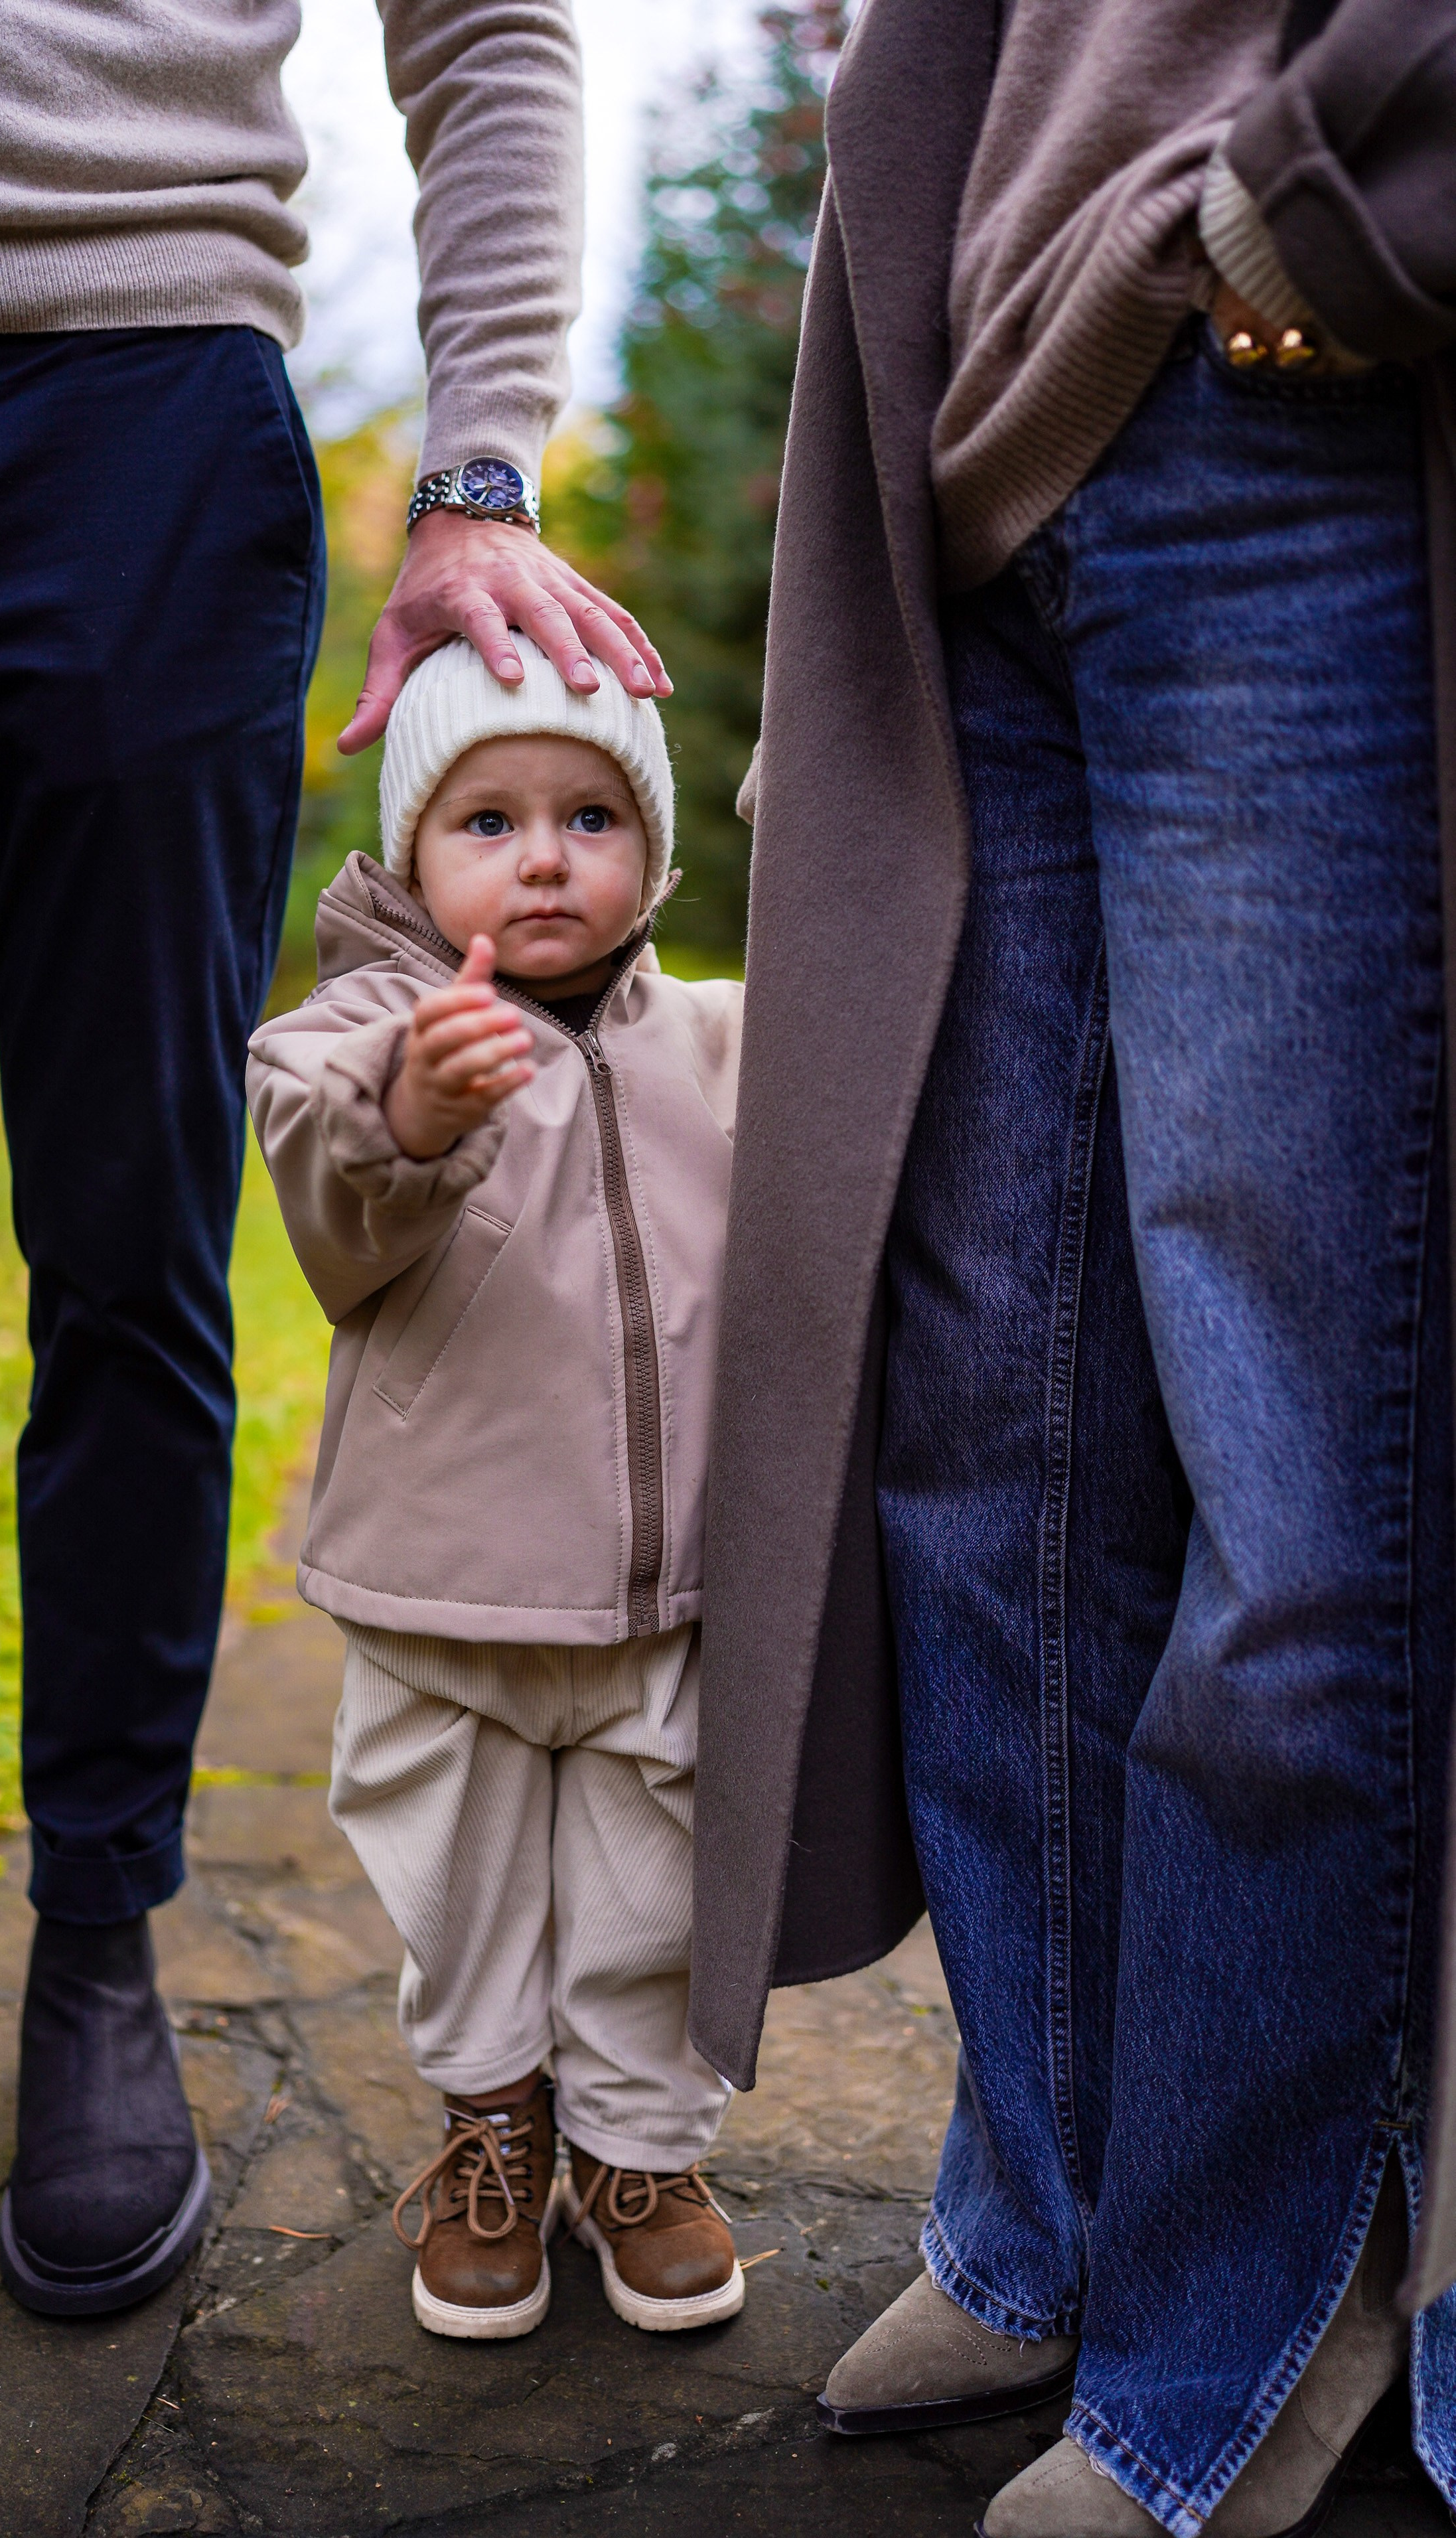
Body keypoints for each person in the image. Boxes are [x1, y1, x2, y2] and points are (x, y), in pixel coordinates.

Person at [0, 0, 666, 2317]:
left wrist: (479, 464)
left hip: (130, 408)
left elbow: (488, 30)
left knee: (128, 1246)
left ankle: (93, 1944)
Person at [688, 0, 1456, 2531]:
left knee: (1294, 1469)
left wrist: (1333, 193)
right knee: (983, 1435)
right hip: (980, 476)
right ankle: (1049, 2212)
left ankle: (1256, 2301)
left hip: (1290, 411)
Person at [246, 631, 745, 2340]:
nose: (544, 854)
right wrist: (410, 1106)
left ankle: (637, 2151)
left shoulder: (713, 1042)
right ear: (408, 852)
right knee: (458, 1893)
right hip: (441, 1593)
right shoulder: (348, 1041)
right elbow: (331, 1194)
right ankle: (489, 2125)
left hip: (658, 1594)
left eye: (593, 814)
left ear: (652, 854)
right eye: (491, 819)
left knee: (651, 1887)